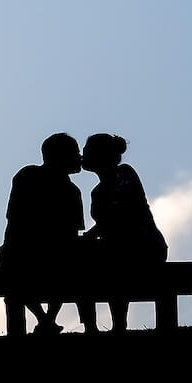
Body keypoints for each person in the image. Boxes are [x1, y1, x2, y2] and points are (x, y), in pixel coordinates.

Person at [79, 133, 167, 334]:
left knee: (112, 260)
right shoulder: (97, 192)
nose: (82, 154)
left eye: (86, 150)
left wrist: (91, 236)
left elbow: (120, 214)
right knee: (94, 259)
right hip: (117, 248)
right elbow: (107, 223)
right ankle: (92, 326)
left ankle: (118, 325)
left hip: (145, 246)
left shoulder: (125, 173)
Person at [0, 133, 84, 335]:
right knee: (63, 263)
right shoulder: (71, 191)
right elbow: (70, 234)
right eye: (75, 153)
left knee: (24, 266)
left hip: (27, 253)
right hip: (42, 256)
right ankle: (47, 320)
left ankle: (45, 320)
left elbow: (13, 220)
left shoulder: (26, 176)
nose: (79, 157)